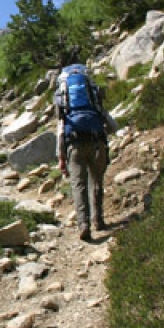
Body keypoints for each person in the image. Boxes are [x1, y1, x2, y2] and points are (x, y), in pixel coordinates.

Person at [54, 64, 116, 241]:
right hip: (97, 141)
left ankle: (84, 225)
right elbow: (107, 119)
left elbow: (60, 127)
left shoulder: (63, 99)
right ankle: (99, 220)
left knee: (78, 185)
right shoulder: (93, 94)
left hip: (74, 144)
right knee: (97, 181)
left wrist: (61, 157)